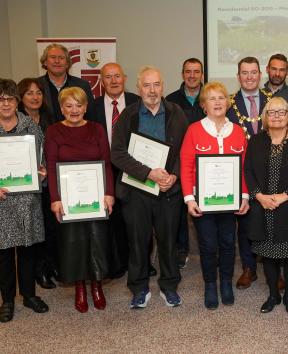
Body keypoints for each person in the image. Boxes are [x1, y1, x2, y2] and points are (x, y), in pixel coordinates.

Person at [111, 66, 188, 309]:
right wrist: (148, 173)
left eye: (156, 85)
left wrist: (173, 176)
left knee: (168, 242)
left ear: (162, 86)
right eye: (147, 85)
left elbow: (185, 150)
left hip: (168, 191)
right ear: (138, 88)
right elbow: (117, 154)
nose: (152, 90)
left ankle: (169, 286)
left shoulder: (177, 113)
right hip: (136, 191)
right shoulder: (128, 115)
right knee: (138, 242)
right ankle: (139, 288)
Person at [179, 82, 249, 310]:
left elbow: (244, 168)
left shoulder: (238, 132)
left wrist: (245, 196)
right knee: (208, 245)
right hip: (203, 201)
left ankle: (226, 282)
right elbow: (187, 165)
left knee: (228, 243)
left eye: (221, 98)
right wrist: (189, 198)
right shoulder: (194, 130)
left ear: (227, 103)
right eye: (212, 98)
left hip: (230, 202)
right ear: (203, 105)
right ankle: (210, 284)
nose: (218, 102)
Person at [45, 86, 114, 313]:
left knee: (96, 240)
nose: (74, 110)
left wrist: (109, 193)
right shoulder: (54, 132)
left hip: (95, 195)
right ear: (62, 108)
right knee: (73, 243)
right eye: (69, 105)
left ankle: (96, 285)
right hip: (68, 198)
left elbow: (106, 163)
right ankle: (80, 287)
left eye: (79, 105)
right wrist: (55, 199)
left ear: (86, 107)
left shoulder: (97, 129)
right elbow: (52, 168)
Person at [245, 97, 288, 314]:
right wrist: (259, 196)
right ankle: (273, 295)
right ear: (265, 117)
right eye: (271, 112)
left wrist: (286, 196)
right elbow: (247, 171)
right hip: (263, 207)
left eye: (281, 112)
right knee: (268, 255)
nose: (276, 116)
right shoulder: (255, 141)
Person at [0, 79, 49, 323]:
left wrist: (43, 171)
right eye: (1, 99)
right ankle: (7, 300)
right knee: (4, 253)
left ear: (16, 101)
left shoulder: (31, 126)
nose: (6, 103)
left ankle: (29, 295)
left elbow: (44, 157)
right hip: (1, 200)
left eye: (10, 98)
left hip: (27, 198)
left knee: (28, 250)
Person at [91, 63, 139, 279]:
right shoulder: (92, 107)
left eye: (117, 76)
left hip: (134, 168)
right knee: (112, 219)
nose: (113, 80)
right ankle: (118, 262)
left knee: (137, 218)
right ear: (101, 81)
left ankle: (141, 262)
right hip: (105, 170)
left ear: (125, 78)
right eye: (108, 77)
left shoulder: (136, 103)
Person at [226, 57, 271, 289]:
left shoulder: (274, 102)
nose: (250, 77)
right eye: (245, 73)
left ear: (260, 75)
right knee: (244, 220)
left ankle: (275, 266)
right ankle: (248, 267)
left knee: (273, 218)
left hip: (271, 169)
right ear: (238, 76)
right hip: (241, 170)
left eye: (254, 72)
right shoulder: (228, 103)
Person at [166, 58, 206, 270]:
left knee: (207, 206)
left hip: (208, 161)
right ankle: (182, 249)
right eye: (188, 71)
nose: (192, 75)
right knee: (181, 208)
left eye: (196, 71)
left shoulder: (209, 98)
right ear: (182, 74)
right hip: (180, 161)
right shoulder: (171, 100)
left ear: (202, 74)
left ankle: (208, 249)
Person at [17, 78, 57, 290]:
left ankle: (49, 266)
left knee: (50, 226)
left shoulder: (50, 118)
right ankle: (38, 271)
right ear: (21, 97)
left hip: (48, 181)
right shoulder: (16, 121)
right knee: (33, 229)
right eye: (29, 93)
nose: (35, 97)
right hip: (25, 186)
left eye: (38, 93)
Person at [38, 43, 95, 123]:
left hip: (76, 134)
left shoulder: (82, 85)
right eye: (53, 57)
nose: (57, 61)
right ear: (45, 62)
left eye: (61, 58)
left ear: (67, 63)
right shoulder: (36, 85)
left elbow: (90, 115)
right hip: (44, 134)